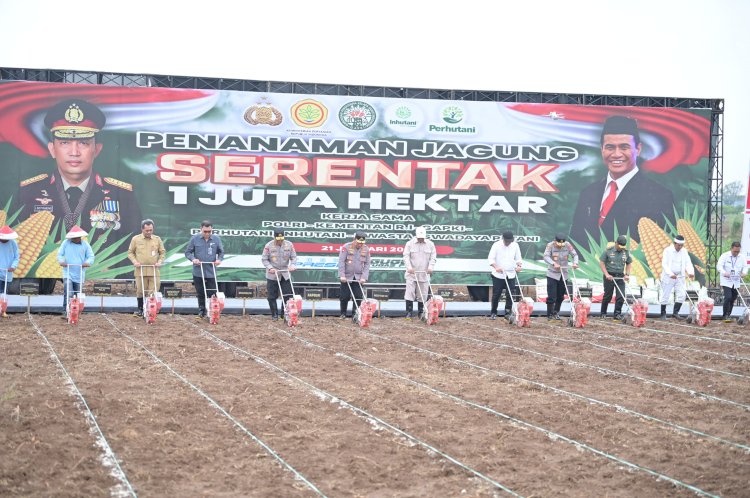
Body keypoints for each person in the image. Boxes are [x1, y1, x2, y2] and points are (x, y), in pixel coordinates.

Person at [17, 99, 142, 244]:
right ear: (52, 149)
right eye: (65, 143)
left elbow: (134, 246)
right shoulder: (29, 192)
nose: (74, 152)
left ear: (97, 150)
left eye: (83, 143)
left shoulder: (121, 194)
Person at [570, 115, 675, 252]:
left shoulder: (659, 195)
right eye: (610, 147)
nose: (616, 154)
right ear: (602, 149)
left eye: (624, 147)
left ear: (638, 149)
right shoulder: (588, 193)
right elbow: (575, 242)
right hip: (587, 272)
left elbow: (663, 248)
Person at [185, 220, 224, 319]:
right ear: (201, 229)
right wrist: (193, 259)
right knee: (201, 292)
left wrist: (219, 260)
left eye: (209, 231)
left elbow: (221, 252)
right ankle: (201, 311)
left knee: (213, 293)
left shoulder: (216, 239)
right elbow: (188, 252)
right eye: (205, 231)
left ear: (212, 230)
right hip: (198, 271)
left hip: (211, 271)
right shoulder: (194, 239)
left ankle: (212, 311)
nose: (207, 233)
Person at [127, 219, 166, 317]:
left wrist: (159, 262)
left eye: (151, 230)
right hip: (140, 270)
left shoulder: (157, 239)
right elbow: (130, 252)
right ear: (142, 229)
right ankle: (140, 309)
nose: (149, 232)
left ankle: (151, 310)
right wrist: (135, 262)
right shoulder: (135, 239)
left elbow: (162, 252)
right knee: (140, 291)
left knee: (153, 292)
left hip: (154, 271)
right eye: (147, 230)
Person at [57, 225, 95, 319]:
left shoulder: (85, 244)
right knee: (68, 291)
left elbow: (91, 256)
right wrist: (62, 261)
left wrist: (87, 262)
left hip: (79, 272)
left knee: (78, 294)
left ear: (80, 237)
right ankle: (65, 311)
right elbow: (60, 254)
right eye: (74, 237)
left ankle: (76, 311)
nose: (76, 239)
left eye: (78, 237)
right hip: (68, 271)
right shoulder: (66, 243)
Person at [261, 227, 297, 321]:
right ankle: (274, 315)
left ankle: (284, 314)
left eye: (281, 239)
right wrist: (270, 267)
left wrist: (292, 265)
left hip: (285, 273)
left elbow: (294, 257)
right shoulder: (268, 245)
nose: (280, 241)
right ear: (274, 237)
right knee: (272, 296)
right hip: (273, 274)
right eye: (278, 239)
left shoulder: (289, 245)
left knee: (287, 295)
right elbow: (264, 259)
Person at [487, 231, 523, 320]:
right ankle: (493, 312)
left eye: (509, 241)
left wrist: (519, 266)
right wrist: (496, 267)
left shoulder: (515, 245)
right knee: (496, 294)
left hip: (511, 273)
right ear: (503, 239)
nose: (508, 243)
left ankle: (508, 312)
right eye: (506, 241)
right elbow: (491, 258)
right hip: (498, 274)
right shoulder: (496, 245)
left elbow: (518, 258)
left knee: (510, 294)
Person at [543, 233, 579, 321]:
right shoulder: (550, 245)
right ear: (555, 241)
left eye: (562, 245)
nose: (560, 246)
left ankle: (556, 312)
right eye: (559, 244)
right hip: (552, 274)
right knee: (552, 296)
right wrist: (553, 263)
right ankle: (549, 314)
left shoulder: (567, 245)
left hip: (564, 274)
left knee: (560, 296)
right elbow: (546, 256)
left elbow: (575, 255)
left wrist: (575, 263)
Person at [403, 226, 437, 319]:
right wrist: (409, 267)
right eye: (419, 237)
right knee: (409, 293)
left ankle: (421, 312)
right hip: (412, 274)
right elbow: (406, 257)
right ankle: (408, 312)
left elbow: (433, 257)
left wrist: (430, 268)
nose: (421, 239)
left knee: (423, 294)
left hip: (424, 274)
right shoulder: (409, 243)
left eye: (422, 237)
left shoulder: (430, 244)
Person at [659, 234, 695, 320]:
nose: (680, 247)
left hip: (680, 276)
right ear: (674, 243)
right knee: (666, 295)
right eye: (679, 245)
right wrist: (670, 274)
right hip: (669, 276)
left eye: (682, 245)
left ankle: (675, 312)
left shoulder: (684, 251)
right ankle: (663, 313)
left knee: (682, 295)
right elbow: (664, 264)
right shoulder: (667, 250)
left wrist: (690, 272)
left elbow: (688, 263)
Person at [338, 231, 371, 321]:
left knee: (358, 296)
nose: (360, 244)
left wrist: (364, 277)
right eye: (358, 242)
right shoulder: (346, 247)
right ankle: (343, 313)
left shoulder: (366, 249)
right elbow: (341, 262)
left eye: (362, 243)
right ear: (354, 240)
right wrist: (342, 275)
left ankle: (355, 314)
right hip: (346, 277)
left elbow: (367, 264)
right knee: (344, 296)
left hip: (358, 277)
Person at [598, 235, 633, 320]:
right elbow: (602, 262)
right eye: (619, 245)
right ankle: (603, 313)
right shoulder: (608, 251)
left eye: (622, 246)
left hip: (620, 276)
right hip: (609, 276)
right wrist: (606, 274)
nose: (621, 248)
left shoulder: (626, 252)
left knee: (621, 296)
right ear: (616, 243)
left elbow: (629, 263)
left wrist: (627, 274)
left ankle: (617, 314)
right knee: (608, 296)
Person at [717, 241, 748, 323]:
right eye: (735, 251)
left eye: (738, 251)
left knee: (733, 298)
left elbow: (745, 267)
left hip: (736, 280)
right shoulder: (725, 256)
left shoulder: (742, 257)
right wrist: (724, 272)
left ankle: (729, 314)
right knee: (728, 297)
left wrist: (744, 273)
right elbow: (719, 266)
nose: (736, 253)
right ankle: (725, 315)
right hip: (726, 280)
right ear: (731, 249)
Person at [0, 226, 20, 318]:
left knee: (4, 293)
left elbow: (16, 257)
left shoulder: (13, 243)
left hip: (7, 273)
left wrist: (13, 266)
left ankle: (3, 311)